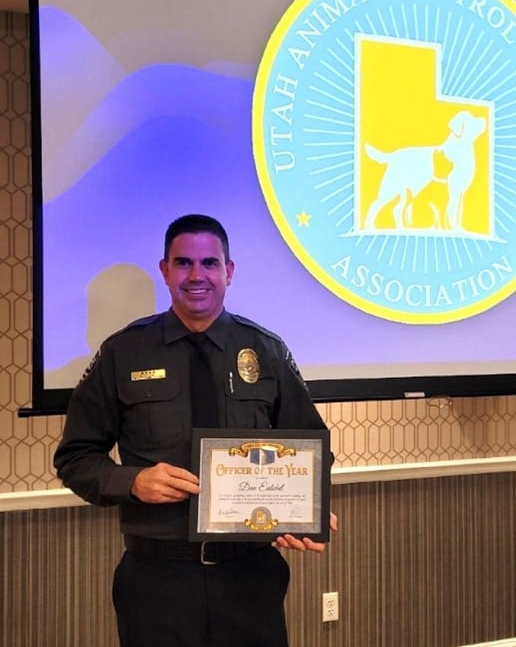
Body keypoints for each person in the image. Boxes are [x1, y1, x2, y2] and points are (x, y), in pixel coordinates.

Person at [54, 213, 337, 647]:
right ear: (165, 270)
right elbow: (75, 458)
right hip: (157, 580)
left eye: (209, 263)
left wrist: (299, 510)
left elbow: (311, 449)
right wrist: (132, 481)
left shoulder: (267, 351)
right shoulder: (122, 352)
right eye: (183, 263)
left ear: (229, 271)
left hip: (249, 578)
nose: (196, 275)